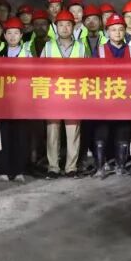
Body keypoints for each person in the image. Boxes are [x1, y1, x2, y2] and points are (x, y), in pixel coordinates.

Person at [43, 10, 87, 177]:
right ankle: (53, 167)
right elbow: (39, 72)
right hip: (53, 96)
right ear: (56, 27)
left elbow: (88, 72)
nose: (64, 28)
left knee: (73, 132)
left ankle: (71, 167)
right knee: (52, 132)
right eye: (61, 25)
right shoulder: (48, 47)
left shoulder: (81, 47)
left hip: (74, 96)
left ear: (73, 26)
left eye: (68, 24)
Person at [92, 14, 131, 177]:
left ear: (125, 31)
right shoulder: (100, 50)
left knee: (123, 132)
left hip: (125, 100)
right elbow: (92, 75)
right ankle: (100, 167)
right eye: (113, 29)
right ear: (107, 32)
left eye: (121, 29)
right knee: (101, 133)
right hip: (104, 101)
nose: (117, 33)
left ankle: (121, 166)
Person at [0, 18, 32, 181]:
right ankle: (3, 170)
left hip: (21, 103)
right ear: (4, 35)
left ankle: (18, 171)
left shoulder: (27, 54)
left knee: (20, 136)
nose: (12, 36)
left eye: (16, 33)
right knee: (3, 135)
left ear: (21, 35)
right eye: (9, 33)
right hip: (3, 102)